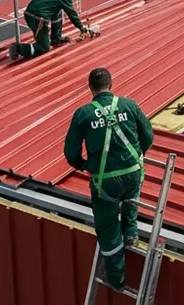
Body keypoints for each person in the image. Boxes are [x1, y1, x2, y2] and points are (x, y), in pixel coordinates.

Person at [64, 67, 155, 291]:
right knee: (131, 198)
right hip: (133, 173)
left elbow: (70, 153)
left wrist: (85, 166)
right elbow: (148, 136)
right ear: (111, 84)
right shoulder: (129, 105)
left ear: (90, 88)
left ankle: (116, 278)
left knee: (107, 228)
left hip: (106, 181)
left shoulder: (83, 114)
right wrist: (135, 157)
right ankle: (131, 235)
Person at [10, 0, 93, 61]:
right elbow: (71, 13)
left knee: (57, 10)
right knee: (44, 47)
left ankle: (56, 38)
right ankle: (18, 49)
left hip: (30, 12)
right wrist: (81, 27)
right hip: (38, 18)